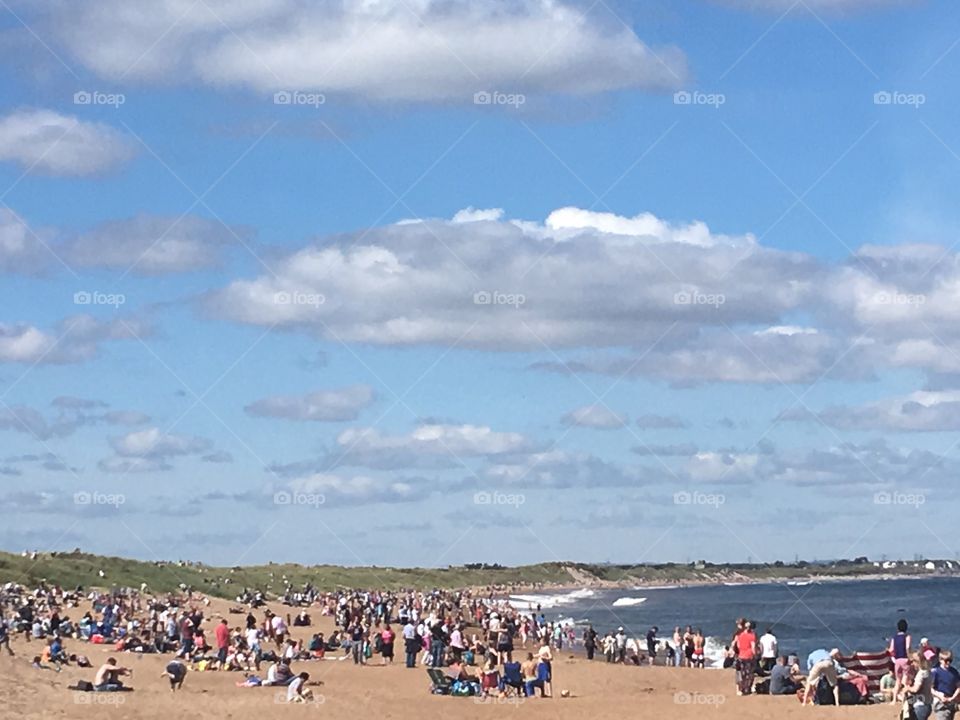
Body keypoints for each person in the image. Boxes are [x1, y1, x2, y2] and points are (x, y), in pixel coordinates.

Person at [930, 650, 960, 720]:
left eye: (950, 660)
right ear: (940, 660)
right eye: (946, 660)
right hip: (940, 701)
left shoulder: (954, 672)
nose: (948, 663)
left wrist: (952, 697)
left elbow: (958, 686)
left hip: (951, 701)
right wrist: (939, 695)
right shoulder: (935, 671)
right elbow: (930, 688)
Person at [891, 618, 913, 705]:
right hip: (904, 659)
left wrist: (894, 658)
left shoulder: (894, 638)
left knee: (897, 681)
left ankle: (894, 700)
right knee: (905, 679)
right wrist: (909, 657)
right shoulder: (907, 637)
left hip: (897, 660)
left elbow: (891, 649)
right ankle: (904, 699)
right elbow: (907, 647)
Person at [906, 652, 933, 720]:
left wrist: (907, 688)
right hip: (927, 704)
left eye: (913, 661)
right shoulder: (928, 671)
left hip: (920, 705)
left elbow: (915, 689)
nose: (912, 664)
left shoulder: (921, 674)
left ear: (917, 662)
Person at [735, 621, 757, 696]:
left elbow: (738, 646)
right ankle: (747, 689)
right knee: (750, 673)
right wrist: (755, 655)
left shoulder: (740, 635)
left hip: (741, 655)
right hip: (749, 656)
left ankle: (742, 689)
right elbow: (753, 647)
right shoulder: (752, 636)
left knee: (742, 673)